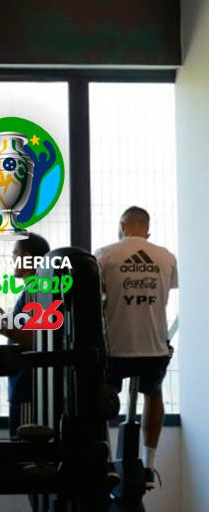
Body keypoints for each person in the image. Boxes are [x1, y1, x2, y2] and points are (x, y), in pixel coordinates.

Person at [94, 206, 178, 487]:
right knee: (153, 393)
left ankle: (104, 463)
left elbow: (97, 296)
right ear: (147, 229)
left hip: (116, 346)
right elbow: (168, 289)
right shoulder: (166, 257)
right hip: (153, 345)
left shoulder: (104, 254)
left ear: (121, 225)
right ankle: (149, 464)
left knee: (100, 404)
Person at [0, 232, 51, 438]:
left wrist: (0, 325)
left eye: (15, 253)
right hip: (28, 386)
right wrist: (5, 319)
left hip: (29, 388)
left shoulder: (35, 289)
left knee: (26, 450)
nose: (12, 258)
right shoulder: (38, 288)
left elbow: (35, 338)